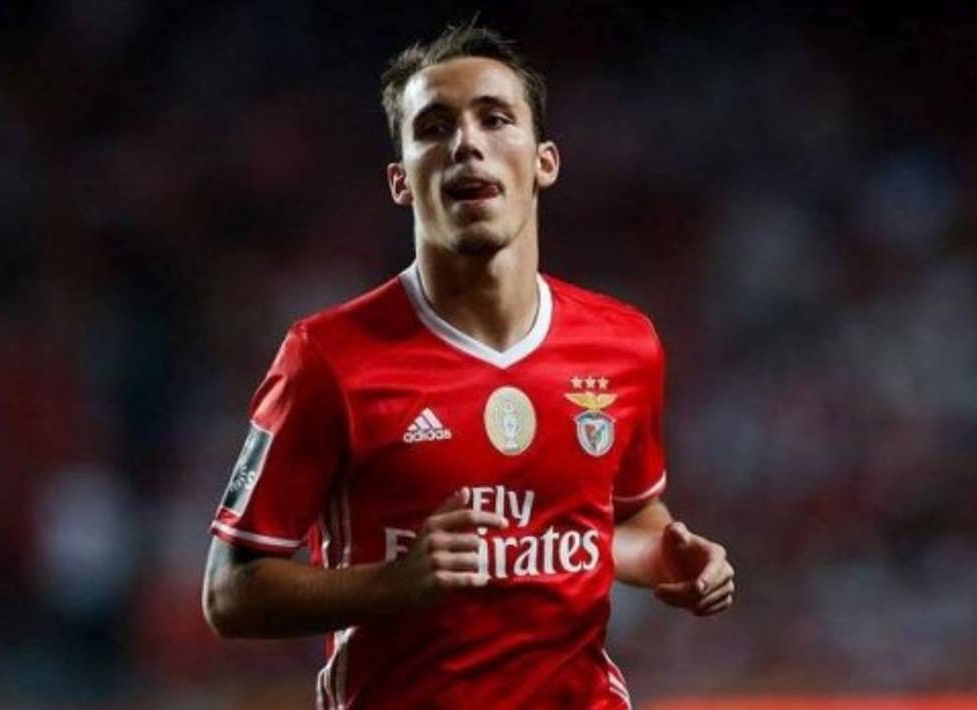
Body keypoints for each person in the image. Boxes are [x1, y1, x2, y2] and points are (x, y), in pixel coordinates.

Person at [202, 23, 735, 709]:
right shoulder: (326, 358)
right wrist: (393, 584)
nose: (466, 144)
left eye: (495, 118)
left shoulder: (623, 345)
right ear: (401, 180)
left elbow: (620, 524)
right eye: (434, 127)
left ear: (545, 161)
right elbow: (229, 593)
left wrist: (666, 556)